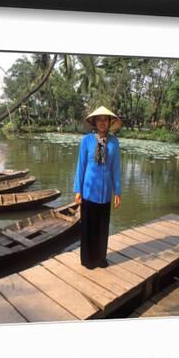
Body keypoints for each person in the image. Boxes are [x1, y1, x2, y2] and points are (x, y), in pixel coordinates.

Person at [73, 106, 123, 268]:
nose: (102, 122)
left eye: (105, 119)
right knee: (88, 228)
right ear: (94, 122)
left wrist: (118, 191)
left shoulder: (114, 142)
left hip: (105, 193)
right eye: (99, 119)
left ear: (109, 122)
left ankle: (100, 258)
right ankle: (88, 259)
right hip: (88, 192)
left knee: (102, 229)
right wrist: (78, 189)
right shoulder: (86, 141)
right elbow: (81, 166)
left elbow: (116, 168)